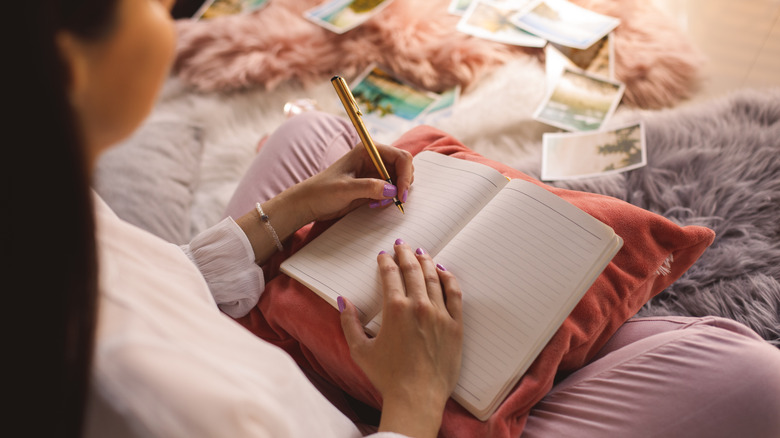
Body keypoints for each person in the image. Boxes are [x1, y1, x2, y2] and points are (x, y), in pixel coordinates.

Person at [13, 0, 780, 437]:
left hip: (261, 336)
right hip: (374, 420)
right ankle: (515, 365)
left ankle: (532, 348)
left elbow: (163, 285)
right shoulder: (140, 405)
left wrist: (281, 219)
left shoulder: (44, 210)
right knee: (745, 375)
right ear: (70, 65)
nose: (167, 14)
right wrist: (414, 394)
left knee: (314, 139)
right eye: (143, 5)